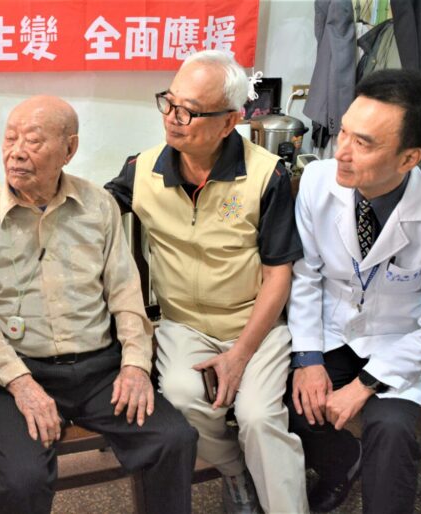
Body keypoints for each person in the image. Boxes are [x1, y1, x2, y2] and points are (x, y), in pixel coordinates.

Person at [0, 95, 198, 514]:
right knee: (23, 480)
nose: (17, 152)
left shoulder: (97, 205)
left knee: (173, 439)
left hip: (99, 370)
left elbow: (126, 294)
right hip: (18, 373)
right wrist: (21, 383)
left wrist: (135, 365)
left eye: (33, 141)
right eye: (10, 138)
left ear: (69, 149)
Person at [105, 50, 308, 514]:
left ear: (229, 121)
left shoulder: (265, 175)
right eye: (169, 103)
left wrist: (240, 354)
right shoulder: (143, 170)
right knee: (180, 398)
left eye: (190, 111)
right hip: (184, 324)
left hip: (254, 323)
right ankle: (236, 472)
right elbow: (95, 213)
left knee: (259, 417)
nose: (172, 119)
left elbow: (279, 275)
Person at [286, 69, 421, 513]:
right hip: (332, 329)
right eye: (344, 132)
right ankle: (340, 462)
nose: (342, 152)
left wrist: (365, 385)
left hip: (399, 341)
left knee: (390, 432)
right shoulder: (317, 181)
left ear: (409, 158)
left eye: (364, 143)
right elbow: (306, 276)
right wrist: (308, 358)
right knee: (284, 398)